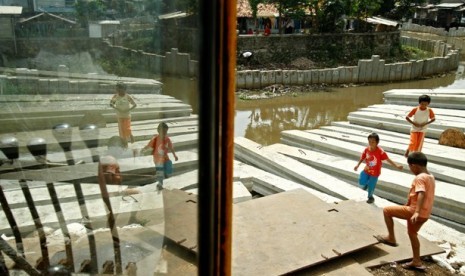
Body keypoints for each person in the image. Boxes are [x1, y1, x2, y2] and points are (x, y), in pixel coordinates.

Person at [375, 152, 435, 272]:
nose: (411, 170)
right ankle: (416, 261)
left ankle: (391, 238)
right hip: (425, 214)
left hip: (414, 212)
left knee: (387, 211)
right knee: (413, 235)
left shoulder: (420, 177)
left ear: (414, 166)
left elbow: (421, 193)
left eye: (410, 167)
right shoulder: (431, 177)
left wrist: (416, 211)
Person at [354, 133, 403, 203]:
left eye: (373, 142)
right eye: (369, 141)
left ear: (377, 142)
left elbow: (387, 159)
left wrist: (397, 166)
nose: (371, 143)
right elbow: (362, 157)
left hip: (375, 173)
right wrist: (357, 165)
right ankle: (367, 184)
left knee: (371, 186)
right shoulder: (366, 149)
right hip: (366, 170)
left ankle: (370, 197)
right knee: (361, 181)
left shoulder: (380, 151)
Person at [142, 122, 178, 190]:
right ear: (158, 131)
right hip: (157, 159)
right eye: (163, 132)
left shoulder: (167, 139)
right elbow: (148, 145)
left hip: (165, 158)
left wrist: (175, 155)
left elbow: (171, 148)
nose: (164, 134)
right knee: (160, 172)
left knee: (169, 166)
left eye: (166, 132)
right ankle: (160, 184)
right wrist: (143, 150)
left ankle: (165, 174)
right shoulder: (155, 139)